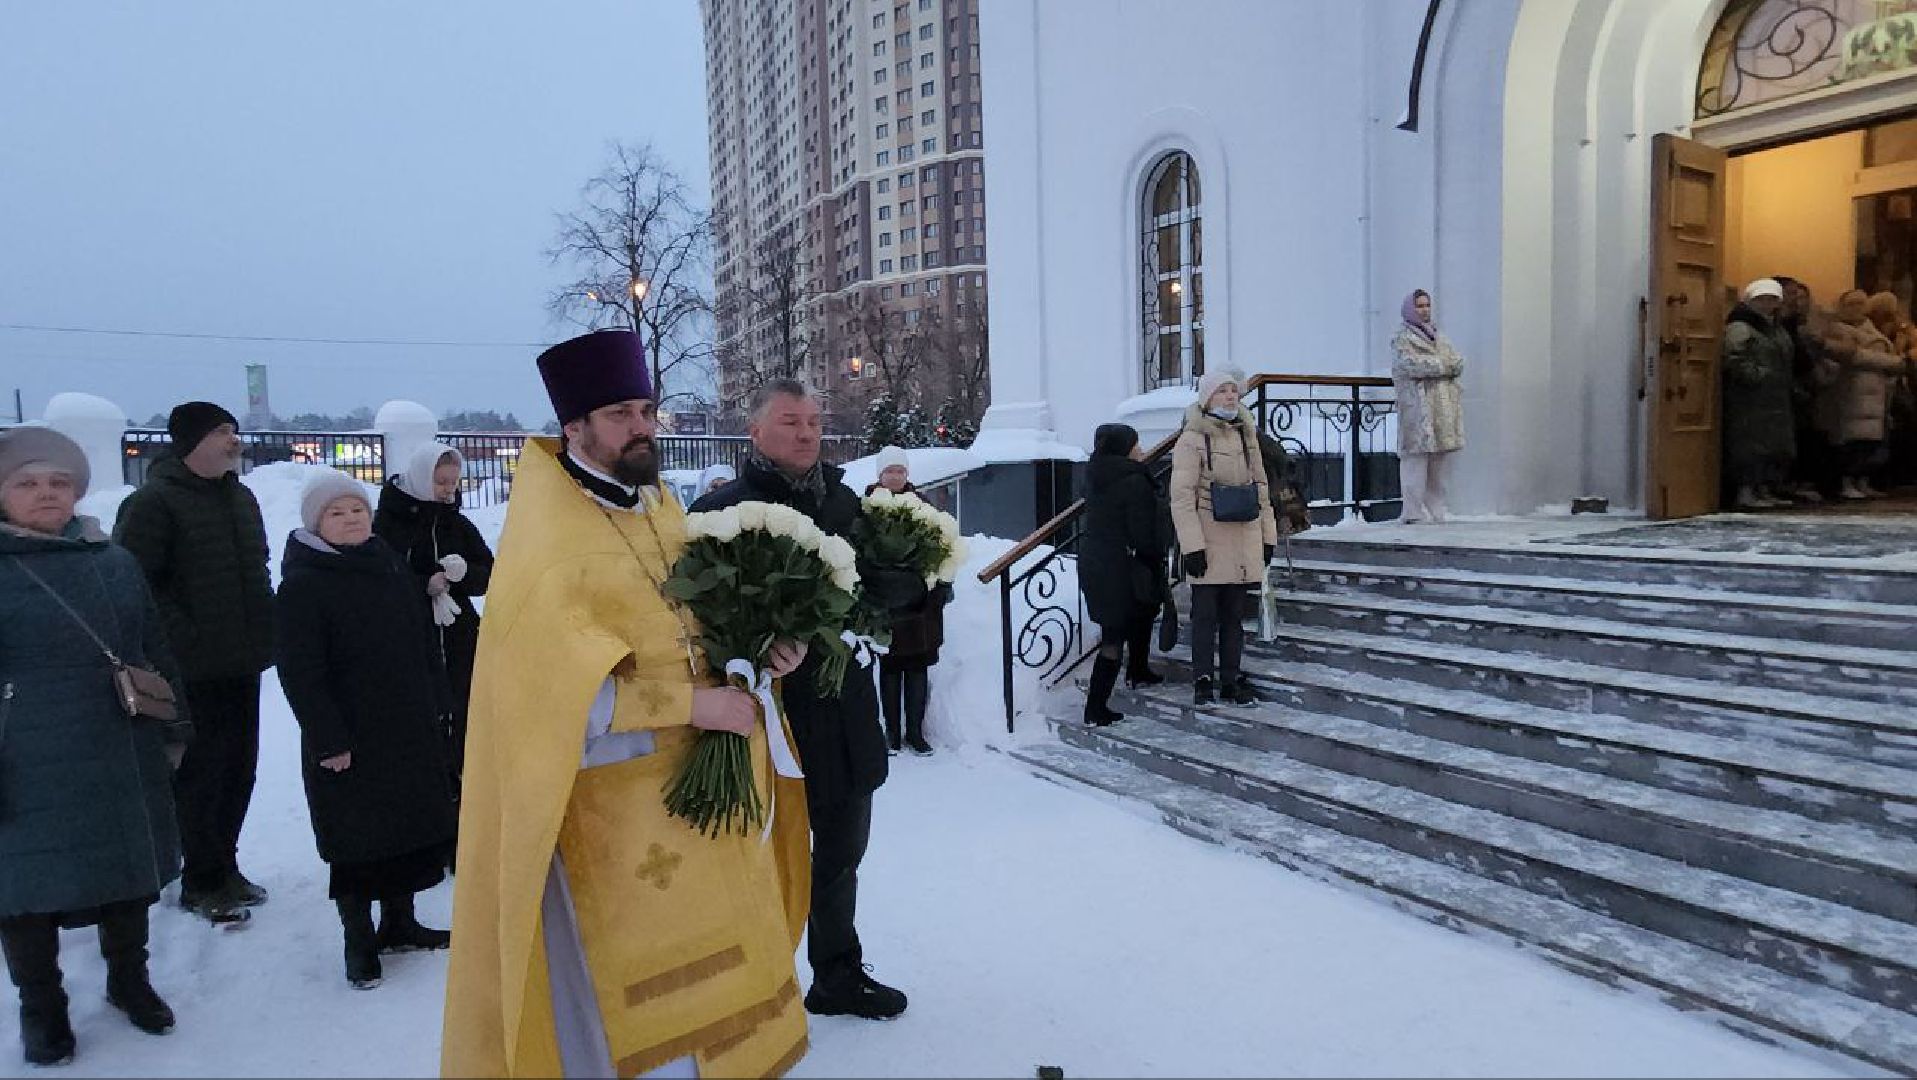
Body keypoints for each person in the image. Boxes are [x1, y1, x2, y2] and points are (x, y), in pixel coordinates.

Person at [442, 329, 812, 1078]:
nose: (641, 425)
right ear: (573, 427)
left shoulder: (662, 510)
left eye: (645, 407)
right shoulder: (545, 537)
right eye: (619, 412)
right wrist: (689, 707)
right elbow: (543, 700)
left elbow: (706, 630)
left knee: (725, 991)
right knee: (636, 1025)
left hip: (708, 805)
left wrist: (764, 654)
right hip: (610, 817)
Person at [695, 379, 920, 1022]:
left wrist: (912, 577)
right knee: (759, 855)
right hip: (761, 718)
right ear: (756, 432)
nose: (807, 433)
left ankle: (836, 975)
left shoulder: (847, 503)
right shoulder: (724, 513)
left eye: (815, 422)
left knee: (843, 850)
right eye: (791, 421)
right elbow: (689, 621)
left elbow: (878, 588)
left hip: (843, 708)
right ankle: (750, 980)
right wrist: (754, 649)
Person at [0, 427, 189, 1065]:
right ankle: (42, 1007)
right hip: (23, 753)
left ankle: (129, 982)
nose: (45, 494)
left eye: (57, 482)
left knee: (125, 868)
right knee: (25, 886)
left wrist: (173, 722)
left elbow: (150, 647)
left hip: (117, 738)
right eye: (26, 483)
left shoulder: (112, 561)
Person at [277, 469, 457, 990]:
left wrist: (439, 699)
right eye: (337, 512)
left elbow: (424, 641)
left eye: (357, 508)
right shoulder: (304, 585)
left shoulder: (388, 565)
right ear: (316, 523)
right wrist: (328, 740)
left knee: (406, 826)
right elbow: (301, 673)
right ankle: (359, 939)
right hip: (349, 736)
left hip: (404, 726)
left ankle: (399, 922)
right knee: (356, 839)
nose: (352, 518)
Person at [112, 401, 273, 924]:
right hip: (189, 667)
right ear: (191, 442)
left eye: (234, 430)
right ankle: (200, 878)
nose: (234, 440)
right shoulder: (154, 503)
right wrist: (182, 638)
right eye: (223, 431)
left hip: (241, 660)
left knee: (239, 769)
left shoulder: (241, 497)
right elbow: (134, 584)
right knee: (201, 774)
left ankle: (225, 864)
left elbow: (257, 570)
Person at [372, 441, 495, 793]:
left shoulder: (457, 524)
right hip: (410, 633)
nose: (447, 490)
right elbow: (379, 579)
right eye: (440, 481)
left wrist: (464, 573)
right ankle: (424, 789)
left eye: (453, 482)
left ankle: (460, 786)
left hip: (458, 635)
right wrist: (421, 584)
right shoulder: (389, 522)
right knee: (420, 712)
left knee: (463, 708)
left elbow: (489, 575)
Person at [1170, 370, 1276, 708]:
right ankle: (1203, 680)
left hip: (1244, 537)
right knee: (1205, 617)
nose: (1231, 397)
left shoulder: (1247, 435)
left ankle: (1230, 679)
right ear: (1207, 398)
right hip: (1209, 538)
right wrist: (1192, 547)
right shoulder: (1192, 438)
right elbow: (1182, 497)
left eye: (1234, 391)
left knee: (1233, 617)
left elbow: (1262, 488)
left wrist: (1267, 537)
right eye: (1222, 391)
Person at [1078, 423, 1171, 727]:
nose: (1141, 450)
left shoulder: (1095, 475)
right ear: (1124, 449)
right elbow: (1143, 532)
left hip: (1097, 562)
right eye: (1136, 445)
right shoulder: (1132, 480)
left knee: (1135, 616)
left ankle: (1138, 670)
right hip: (1123, 566)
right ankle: (1096, 707)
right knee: (1115, 635)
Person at [862, 446, 952, 756]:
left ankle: (915, 732)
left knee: (917, 669)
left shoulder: (921, 505)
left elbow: (941, 546)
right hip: (887, 604)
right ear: (880, 475)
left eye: (900, 471)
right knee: (889, 669)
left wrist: (937, 587)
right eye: (889, 471)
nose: (895, 476)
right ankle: (892, 733)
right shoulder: (869, 507)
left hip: (918, 605)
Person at [1720, 278, 1798, 510]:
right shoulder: (1741, 327)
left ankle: (1763, 488)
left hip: (1774, 395)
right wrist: (1757, 375)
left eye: (1772, 299)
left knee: (1772, 444)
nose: (1767, 304)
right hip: (1750, 396)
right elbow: (1734, 357)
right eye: (1761, 299)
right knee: (1749, 443)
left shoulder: (1774, 327)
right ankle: (1746, 491)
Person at [1391, 289, 1466, 523]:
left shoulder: (1438, 336)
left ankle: (1436, 508)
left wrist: (1440, 366)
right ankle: (1412, 511)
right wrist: (1441, 367)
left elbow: (1457, 362)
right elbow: (1411, 365)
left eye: (1427, 305)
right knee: (1415, 460)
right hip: (1418, 408)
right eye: (1419, 306)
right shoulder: (1402, 338)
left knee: (1439, 463)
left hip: (1441, 408)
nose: (1424, 310)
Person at [1824, 290, 1907, 500]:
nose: (1856, 308)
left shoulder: (1874, 332)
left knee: (1869, 442)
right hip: (1850, 391)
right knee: (1849, 441)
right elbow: (1853, 356)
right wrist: (1892, 363)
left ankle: (1863, 480)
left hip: (1876, 393)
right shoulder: (1837, 330)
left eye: (1861, 304)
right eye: (1851, 304)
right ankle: (1846, 482)